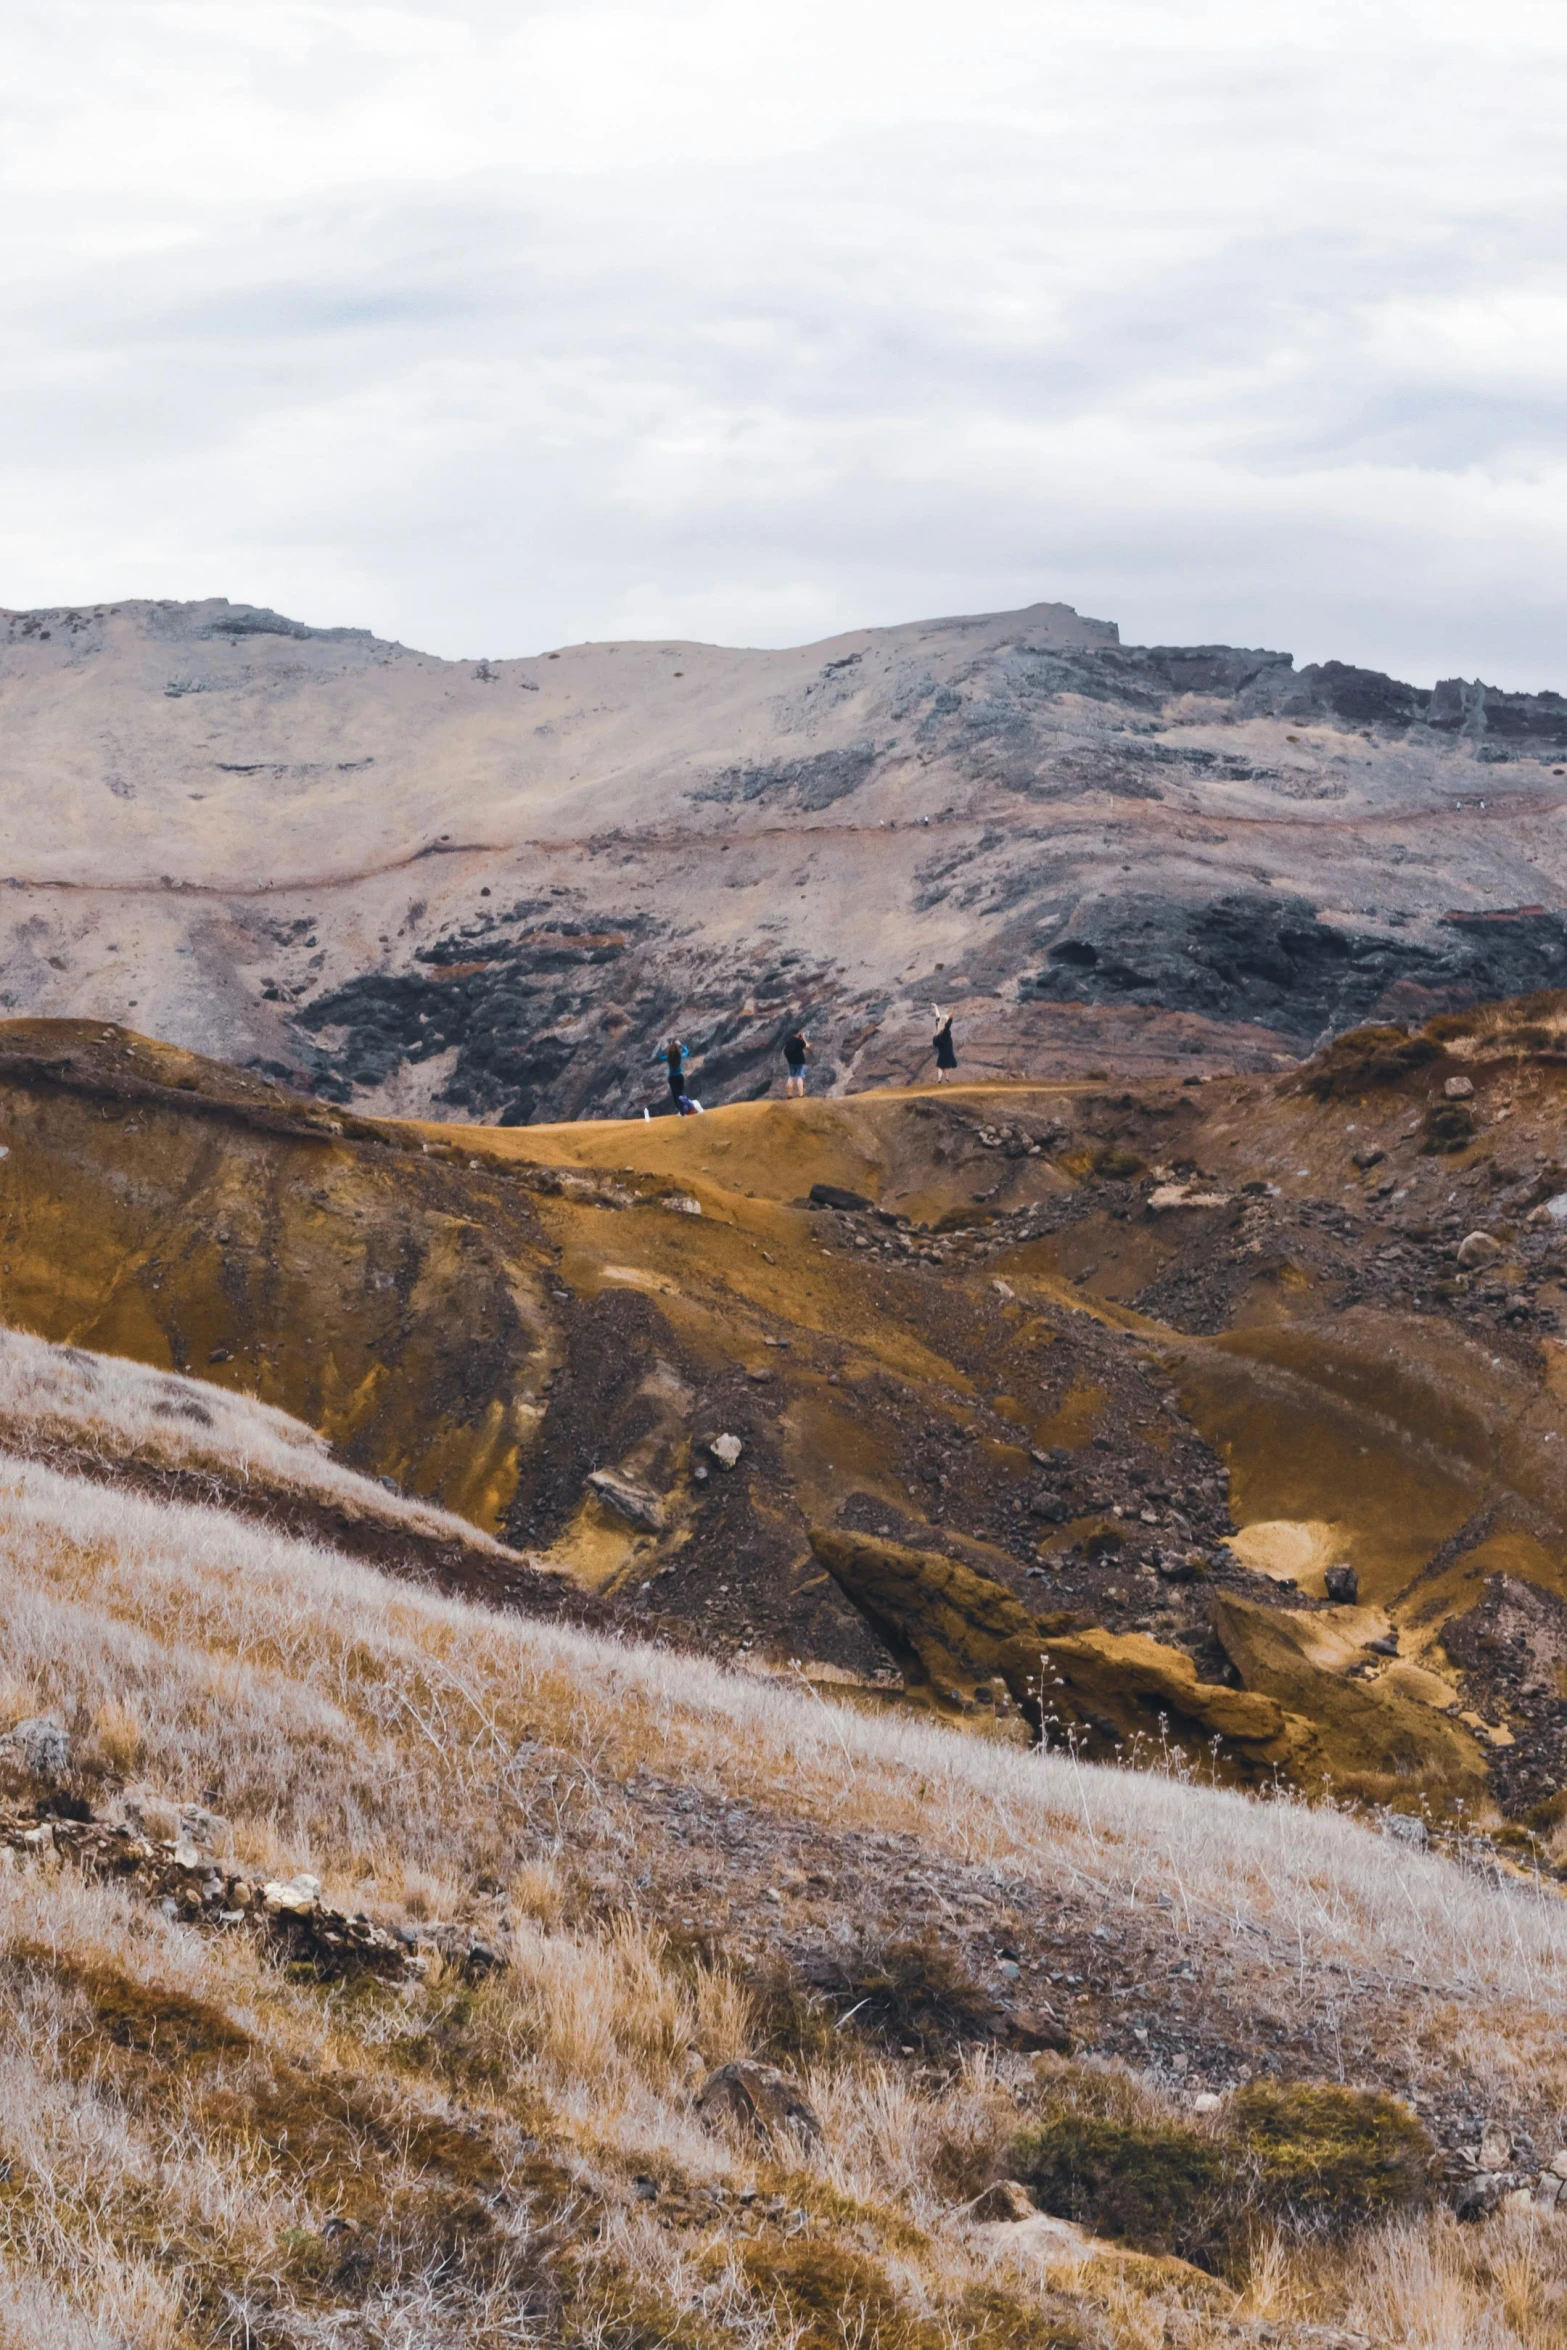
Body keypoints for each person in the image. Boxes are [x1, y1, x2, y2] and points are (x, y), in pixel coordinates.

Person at [653, 1036, 704, 1115]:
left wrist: (666, 1048)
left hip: (672, 1077)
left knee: (675, 1094)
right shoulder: (680, 1056)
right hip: (679, 1077)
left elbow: (660, 1056)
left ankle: (680, 1108)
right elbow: (686, 1051)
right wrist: (680, 1045)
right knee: (681, 1092)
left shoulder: (668, 1058)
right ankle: (685, 1105)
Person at [931, 1004, 957, 1081]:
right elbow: (951, 1018)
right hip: (948, 1047)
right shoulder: (946, 1028)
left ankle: (939, 1079)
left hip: (941, 1047)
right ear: (945, 1021)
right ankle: (947, 1078)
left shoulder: (939, 1025)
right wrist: (953, 1010)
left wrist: (936, 1007)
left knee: (941, 1064)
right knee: (947, 1064)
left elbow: (937, 1015)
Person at [783, 1027, 811, 1096]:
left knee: (791, 1076)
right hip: (800, 1061)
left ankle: (789, 1094)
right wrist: (803, 1038)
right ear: (798, 1033)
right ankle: (801, 1094)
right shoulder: (799, 1041)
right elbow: (807, 1046)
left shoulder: (789, 1041)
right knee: (800, 1076)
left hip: (791, 1061)